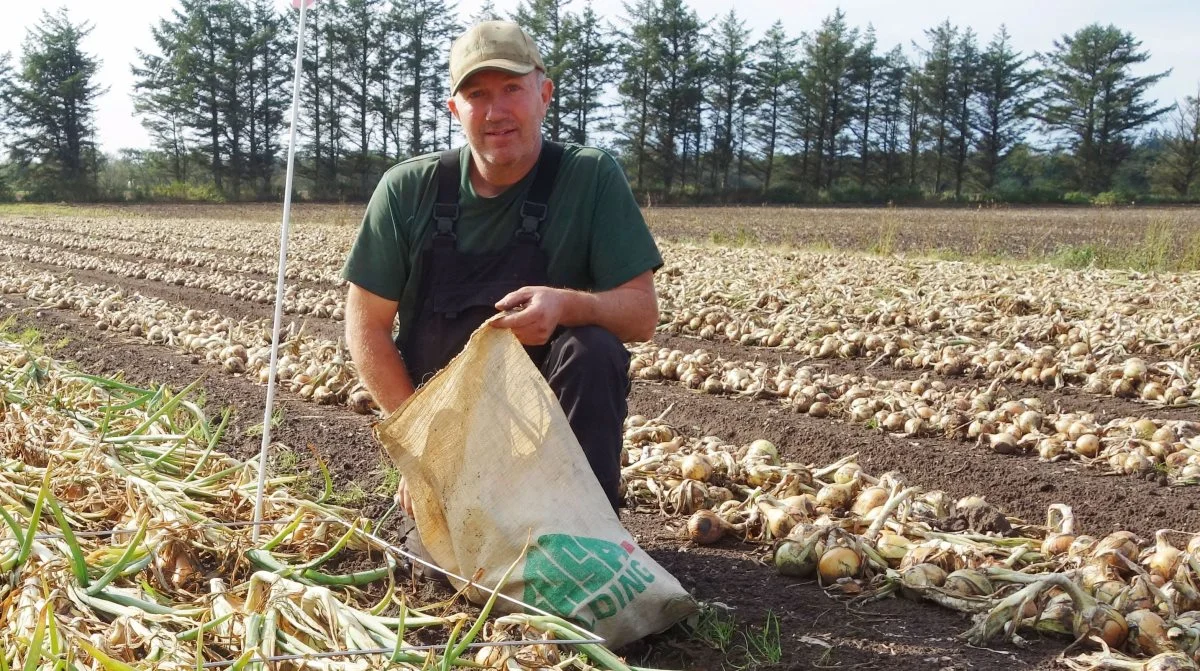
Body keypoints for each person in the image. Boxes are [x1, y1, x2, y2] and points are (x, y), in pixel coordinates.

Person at [340, 20, 662, 515]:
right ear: (455, 109)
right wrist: (421, 445)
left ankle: (584, 528)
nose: (496, 111)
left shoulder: (590, 177)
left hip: (553, 438)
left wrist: (567, 304)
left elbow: (642, 315)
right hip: (447, 430)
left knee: (592, 348)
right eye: (476, 94)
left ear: (544, 94)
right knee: (447, 581)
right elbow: (366, 327)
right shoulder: (407, 190)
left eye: (512, 88)